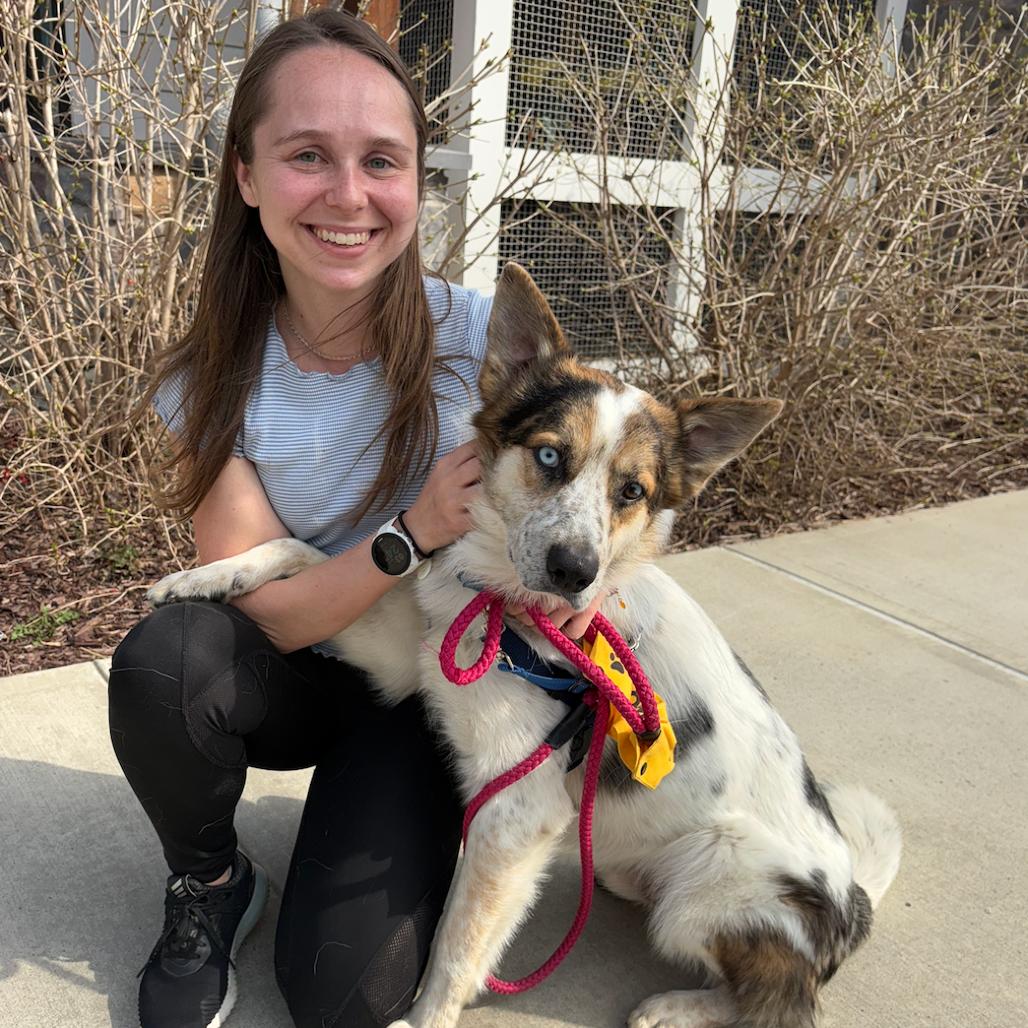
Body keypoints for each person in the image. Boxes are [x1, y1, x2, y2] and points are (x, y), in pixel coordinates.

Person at [109, 10, 601, 1028]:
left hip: (431, 687)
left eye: (380, 159)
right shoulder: (210, 378)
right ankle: (209, 883)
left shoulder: (485, 343)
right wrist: (411, 530)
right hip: (295, 670)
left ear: (415, 181)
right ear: (245, 175)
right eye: (305, 156)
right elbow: (271, 612)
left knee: (346, 998)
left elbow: (603, 489)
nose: (346, 194)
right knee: (171, 654)